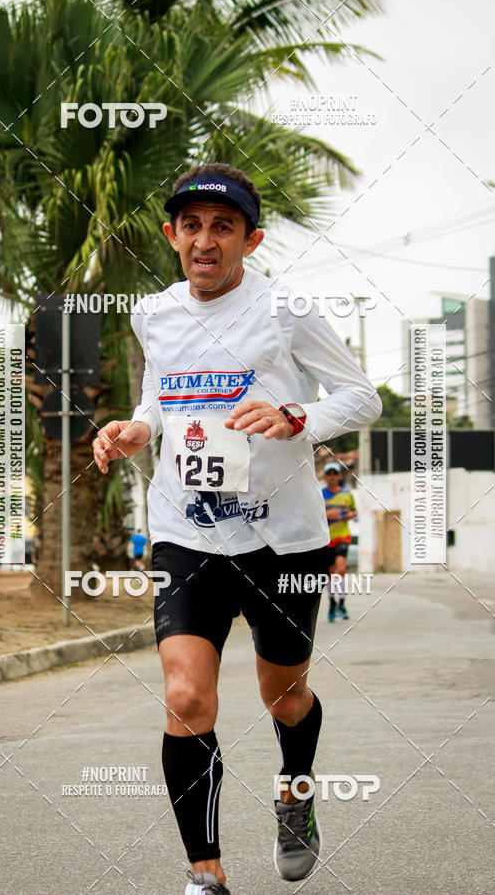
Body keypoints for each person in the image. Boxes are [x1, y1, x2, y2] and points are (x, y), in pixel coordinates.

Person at [92, 162, 382, 894]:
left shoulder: (285, 310)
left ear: (249, 241)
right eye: (191, 225)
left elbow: (360, 397)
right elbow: (160, 395)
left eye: (223, 227)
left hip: (284, 538)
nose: (205, 240)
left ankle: (295, 789)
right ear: (172, 236)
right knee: (187, 697)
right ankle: (206, 874)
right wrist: (136, 428)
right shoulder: (154, 313)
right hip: (184, 531)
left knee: (283, 694)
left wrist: (296, 419)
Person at [322, 462, 357, 622]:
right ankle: (332, 603)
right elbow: (315, 515)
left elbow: (354, 511)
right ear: (325, 476)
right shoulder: (320, 494)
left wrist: (349, 515)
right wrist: (327, 514)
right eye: (329, 473)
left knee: (341, 568)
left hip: (342, 536)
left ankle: (342, 603)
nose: (332, 476)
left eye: (334, 473)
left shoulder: (347, 494)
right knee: (329, 574)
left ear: (339, 476)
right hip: (326, 539)